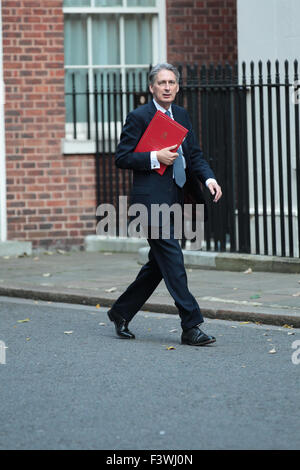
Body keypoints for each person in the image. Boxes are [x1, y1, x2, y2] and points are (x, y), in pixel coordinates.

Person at [107, 63, 222, 346]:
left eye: (172, 82)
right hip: (150, 205)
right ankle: (191, 326)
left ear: (177, 87)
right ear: (151, 88)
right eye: (162, 83)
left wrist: (208, 179)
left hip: (178, 200)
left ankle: (120, 312)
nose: (167, 87)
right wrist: (154, 156)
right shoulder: (139, 117)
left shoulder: (181, 115)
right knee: (173, 259)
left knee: (158, 266)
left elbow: (193, 154)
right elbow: (122, 157)